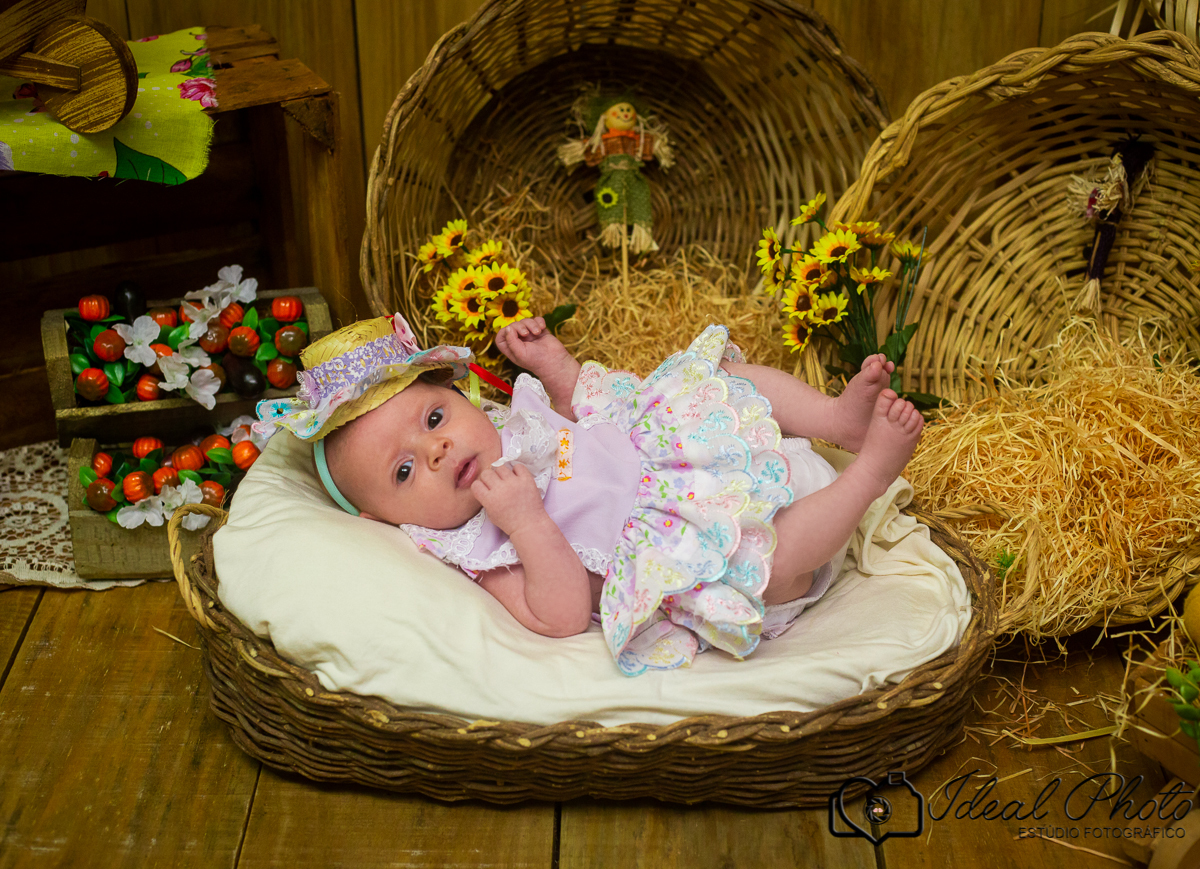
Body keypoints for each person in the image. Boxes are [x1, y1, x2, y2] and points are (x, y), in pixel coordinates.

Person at [255, 313, 923, 676]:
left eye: (434, 419)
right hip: (695, 548)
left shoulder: (516, 422)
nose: (436, 451)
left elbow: (597, 406)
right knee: (771, 565)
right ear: (382, 517)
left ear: (466, 398)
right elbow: (562, 614)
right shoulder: (477, 543)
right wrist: (524, 522)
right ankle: (867, 475)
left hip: (696, 453)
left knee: (713, 377)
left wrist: (554, 363)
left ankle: (835, 420)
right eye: (404, 472)